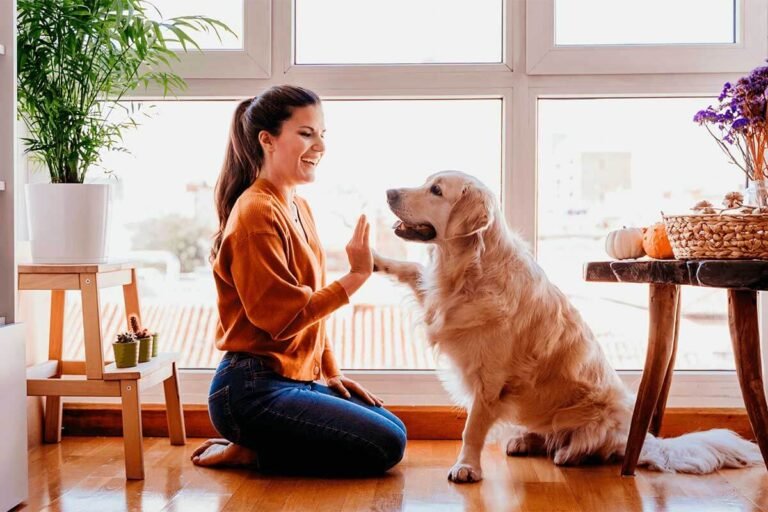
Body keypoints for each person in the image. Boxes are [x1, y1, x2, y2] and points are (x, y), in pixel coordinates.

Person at [191, 85, 407, 475]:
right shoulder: (256, 213)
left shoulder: (297, 206)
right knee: (386, 445)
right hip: (250, 389)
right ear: (267, 140)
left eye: (322, 134)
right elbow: (283, 319)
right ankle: (251, 452)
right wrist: (357, 275)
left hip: (294, 378)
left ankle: (258, 445)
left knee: (394, 428)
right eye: (306, 134)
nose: (320, 146)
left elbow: (311, 312)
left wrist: (331, 371)